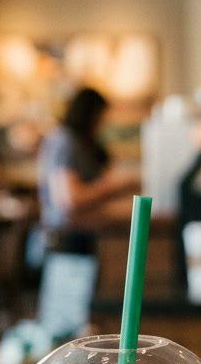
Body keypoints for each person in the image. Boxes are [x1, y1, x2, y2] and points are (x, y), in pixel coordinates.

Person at [37, 87, 139, 255]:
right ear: (90, 114)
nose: (102, 124)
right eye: (100, 118)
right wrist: (115, 187)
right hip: (66, 236)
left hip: (79, 232)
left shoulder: (77, 144)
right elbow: (69, 198)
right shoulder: (65, 142)